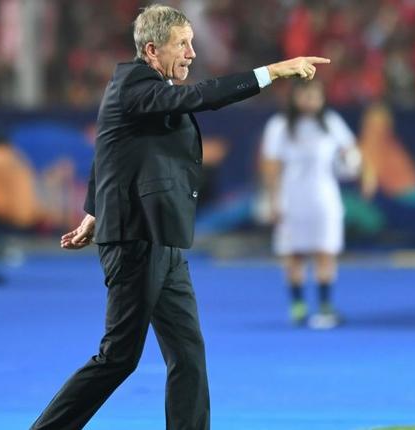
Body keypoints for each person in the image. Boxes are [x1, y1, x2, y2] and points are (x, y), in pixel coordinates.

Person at [30, 4, 329, 430]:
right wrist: (274, 72)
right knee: (118, 358)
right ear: (152, 50)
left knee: (187, 354)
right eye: (182, 44)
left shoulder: (144, 89)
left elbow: (110, 151)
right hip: (136, 240)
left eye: (191, 42)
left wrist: (93, 213)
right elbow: (200, 97)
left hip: (162, 238)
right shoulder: (135, 83)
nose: (191, 52)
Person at [260, 80, 360, 329]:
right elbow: (271, 166)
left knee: (325, 253)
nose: (309, 100)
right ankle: (298, 308)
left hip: (324, 199)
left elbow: (351, 152)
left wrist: (354, 164)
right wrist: (273, 200)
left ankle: (326, 308)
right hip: (291, 199)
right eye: (304, 95)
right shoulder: (279, 126)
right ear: (294, 97)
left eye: (314, 95)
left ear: (322, 98)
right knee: (293, 255)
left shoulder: (332, 123)